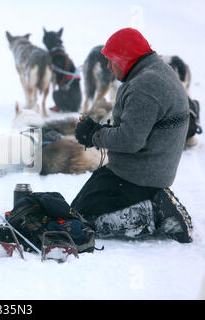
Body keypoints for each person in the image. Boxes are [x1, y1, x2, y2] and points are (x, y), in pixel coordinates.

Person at [72, 28, 193, 243]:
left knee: (84, 219)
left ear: (125, 59)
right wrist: (99, 131)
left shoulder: (143, 87)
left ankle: (154, 213)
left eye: (111, 60)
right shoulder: (157, 71)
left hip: (139, 176)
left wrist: (95, 136)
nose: (108, 66)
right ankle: (155, 198)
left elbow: (130, 140)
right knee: (80, 205)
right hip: (147, 169)